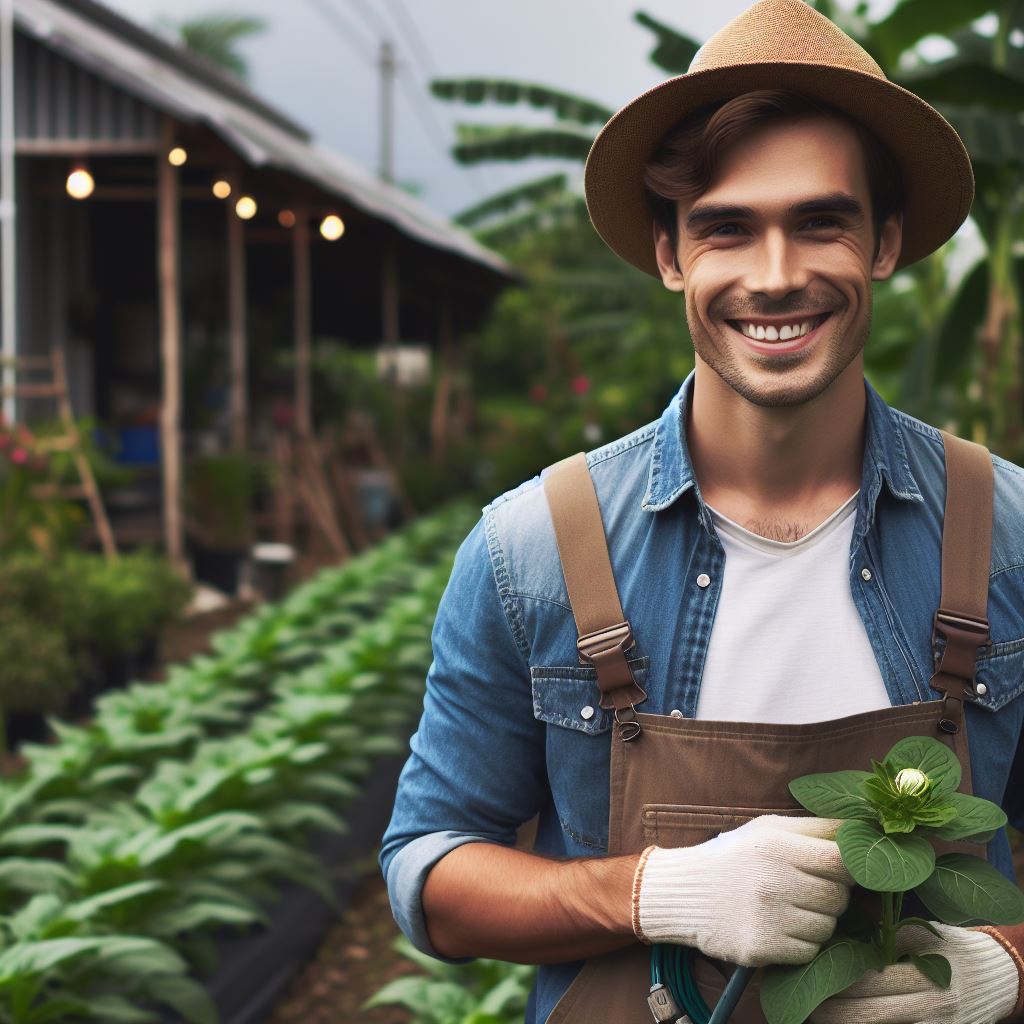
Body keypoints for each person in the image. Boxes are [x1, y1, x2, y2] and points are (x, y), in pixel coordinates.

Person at [381, 1, 1024, 1021]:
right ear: (672, 254)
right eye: (727, 227)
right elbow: (429, 871)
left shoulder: (1007, 536)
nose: (775, 275)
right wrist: (652, 891)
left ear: (886, 240)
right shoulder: (533, 551)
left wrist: (1001, 966)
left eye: (821, 220)